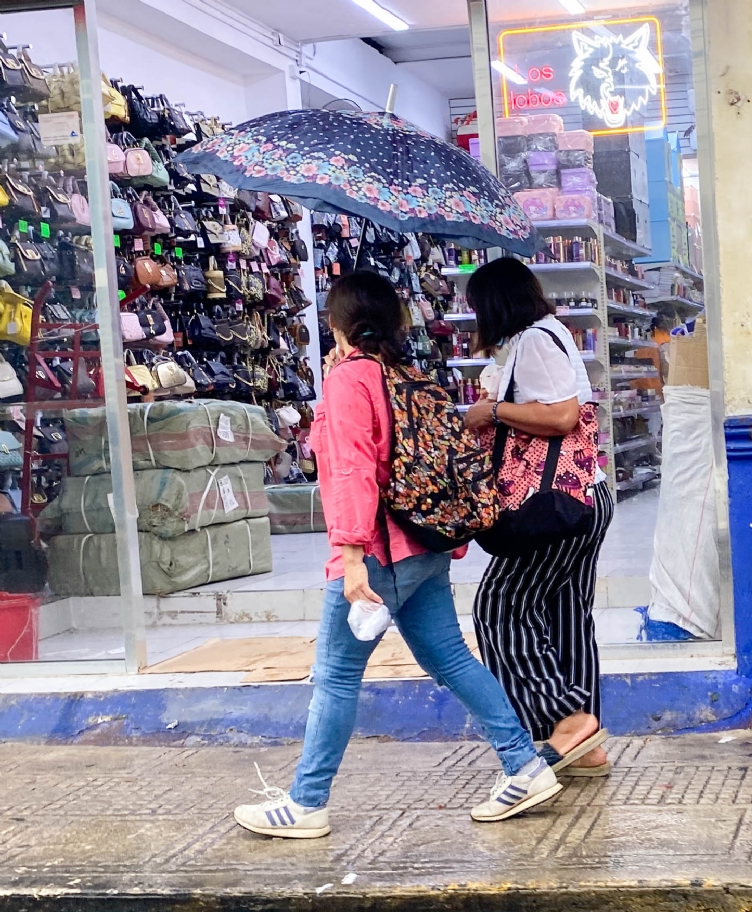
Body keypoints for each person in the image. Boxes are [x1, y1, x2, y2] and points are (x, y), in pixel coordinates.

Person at [233, 271, 561, 839]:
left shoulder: (349, 380)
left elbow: (356, 471)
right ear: (394, 325)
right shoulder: (410, 376)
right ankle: (524, 764)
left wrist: (352, 554)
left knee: (334, 676)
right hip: (424, 546)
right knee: (453, 660)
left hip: (377, 553)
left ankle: (307, 802)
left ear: (335, 325)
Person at [462, 257, 613, 777]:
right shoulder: (550, 334)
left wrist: (492, 412)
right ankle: (585, 746)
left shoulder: (532, 340)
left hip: (551, 503)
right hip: (584, 495)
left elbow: (562, 415)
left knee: (498, 606)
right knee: (566, 615)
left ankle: (562, 718)